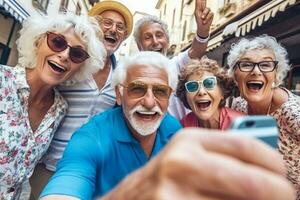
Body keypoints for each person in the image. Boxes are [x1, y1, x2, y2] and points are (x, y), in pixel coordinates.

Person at [40, 51, 181, 199]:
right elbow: (69, 181)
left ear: (169, 97)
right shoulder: (92, 137)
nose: (149, 102)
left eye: (160, 91)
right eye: (137, 89)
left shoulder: (173, 130)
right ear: (119, 95)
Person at [29, 1, 133, 198]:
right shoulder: (71, 61)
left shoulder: (121, 76)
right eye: (107, 23)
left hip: (87, 173)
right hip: (46, 166)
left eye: (120, 27)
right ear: (94, 26)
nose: (113, 29)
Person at [0, 13, 105, 199]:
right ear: (38, 41)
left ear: (81, 66)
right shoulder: (2, 81)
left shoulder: (59, 109)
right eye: (57, 42)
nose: (64, 55)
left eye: (77, 54)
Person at [227, 34, 300, 199]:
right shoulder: (238, 106)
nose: (256, 71)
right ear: (235, 76)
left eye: (266, 65)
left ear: (276, 75)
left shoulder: (293, 114)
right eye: (246, 65)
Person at [133, 0, 214, 120]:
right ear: (139, 46)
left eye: (159, 35)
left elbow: (196, 51)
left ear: (167, 41)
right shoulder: (132, 75)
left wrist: (202, 32)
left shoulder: (176, 65)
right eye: (148, 37)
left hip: (182, 134)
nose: (155, 42)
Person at [176, 57, 244, 129]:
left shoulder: (241, 125)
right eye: (192, 86)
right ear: (185, 96)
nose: (201, 92)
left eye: (209, 83)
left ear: (222, 93)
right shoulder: (183, 127)